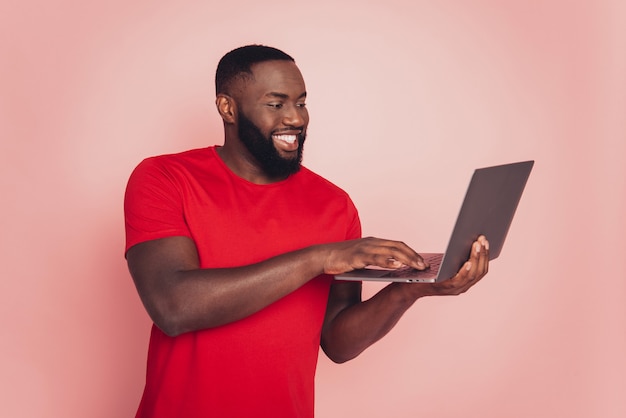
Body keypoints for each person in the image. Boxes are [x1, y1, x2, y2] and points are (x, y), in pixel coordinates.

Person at [124, 44, 489, 418]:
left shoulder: (334, 205)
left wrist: (407, 291)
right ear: (227, 108)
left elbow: (337, 341)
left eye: (301, 102)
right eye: (276, 104)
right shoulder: (164, 179)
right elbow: (174, 306)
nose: (296, 118)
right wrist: (321, 258)